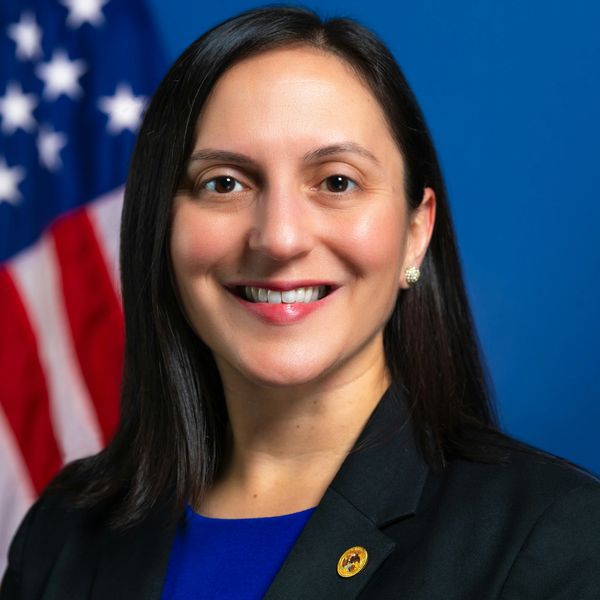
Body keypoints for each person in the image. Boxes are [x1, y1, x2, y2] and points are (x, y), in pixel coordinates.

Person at [2, 6, 600, 599]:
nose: (281, 238)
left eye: (337, 181)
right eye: (225, 183)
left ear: (416, 232)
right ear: (160, 226)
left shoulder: (554, 537)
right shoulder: (64, 532)